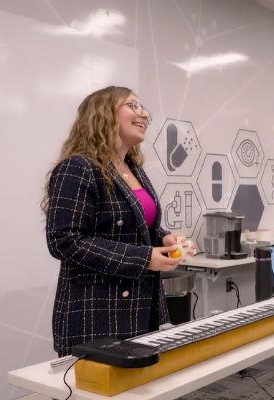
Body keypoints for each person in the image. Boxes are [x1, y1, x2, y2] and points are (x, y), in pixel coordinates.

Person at [42, 86, 193, 357]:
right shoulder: (78, 168)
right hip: (97, 310)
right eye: (133, 106)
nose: (144, 114)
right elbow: (64, 241)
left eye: (144, 107)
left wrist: (165, 239)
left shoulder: (133, 170)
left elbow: (137, 227)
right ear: (103, 114)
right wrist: (144, 259)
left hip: (140, 304)